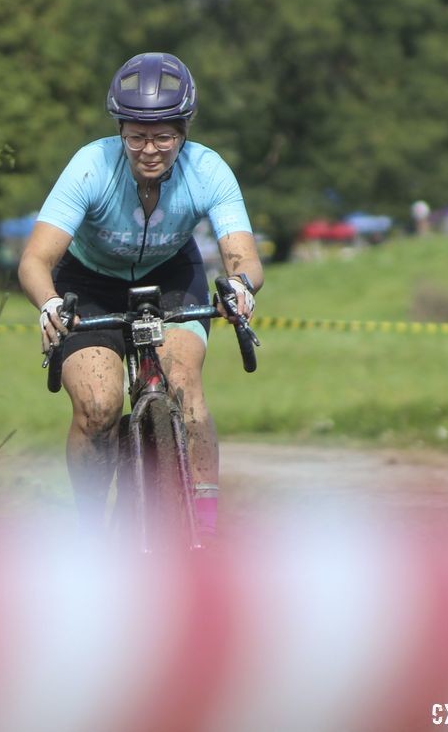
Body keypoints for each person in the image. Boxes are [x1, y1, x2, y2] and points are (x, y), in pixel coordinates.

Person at [17, 52, 263, 539]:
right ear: (120, 131)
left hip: (172, 273)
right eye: (136, 137)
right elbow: (34, 261)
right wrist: (48, 303)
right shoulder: (90, 166)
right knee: (98, 405)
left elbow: (244, 259)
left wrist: (240, 287)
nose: (150, 148)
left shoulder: (209, 170)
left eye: (164, 136)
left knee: (185, 385)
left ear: (184, 131)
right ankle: (89, 532)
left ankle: (206, 532)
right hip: (87, 281)